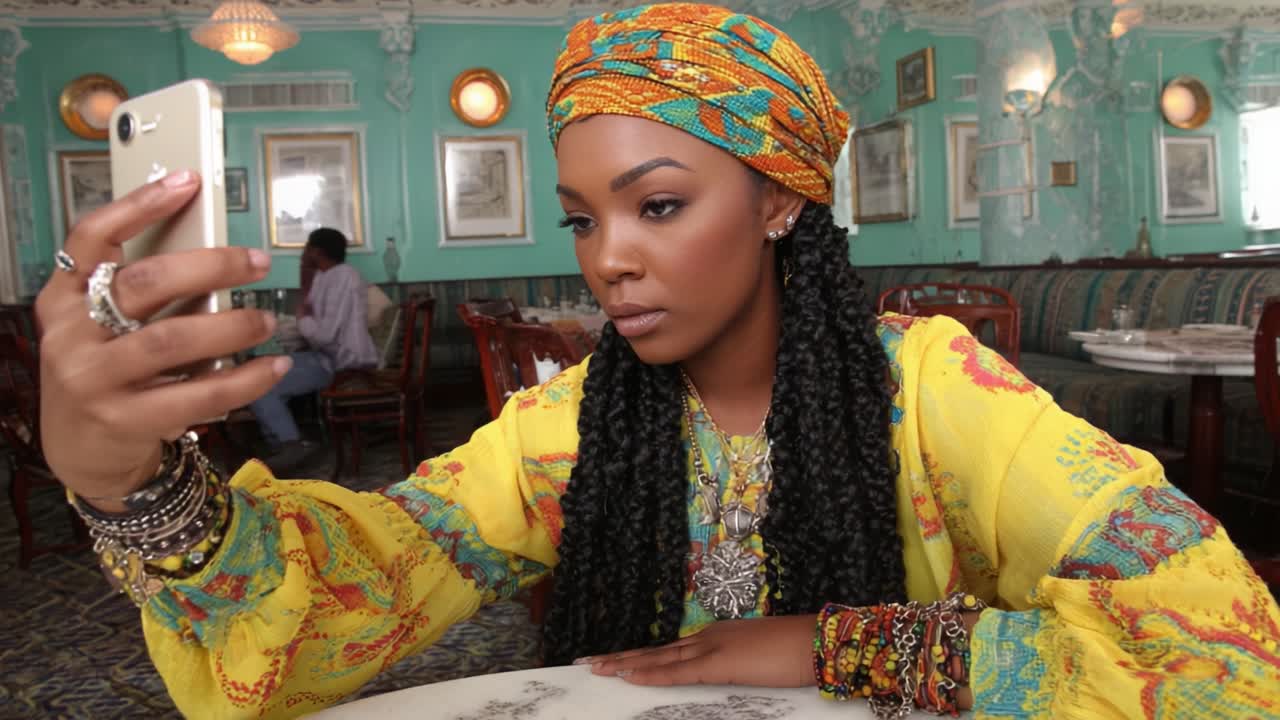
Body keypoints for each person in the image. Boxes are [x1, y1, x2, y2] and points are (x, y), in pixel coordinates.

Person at [35, 4, 1280, 719]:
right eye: (583, 219)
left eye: (658, 206)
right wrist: (131, 485)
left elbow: (1220, 659)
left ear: (781, 202)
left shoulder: (935, 392)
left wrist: (845, 642)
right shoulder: (572, 423)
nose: (606, 261)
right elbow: (353, 588)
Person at [250, 227, 378, 470]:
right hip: (324, 356)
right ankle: (280, 444)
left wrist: (302, 318)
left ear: (316, 251)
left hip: (344, 362)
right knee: (264, 374)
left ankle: (290, 444)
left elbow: (325, 335)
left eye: (307, 248)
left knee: (260, 384)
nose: (303, 253)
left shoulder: (345, 277)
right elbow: (313, 326)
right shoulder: (323, 276)